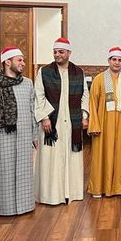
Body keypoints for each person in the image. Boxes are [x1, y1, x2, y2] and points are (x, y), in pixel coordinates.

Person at [0, 46, 37, 216]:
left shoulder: (27, 83)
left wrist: (34, 135)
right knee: (3, 173)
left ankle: (25, 206)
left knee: (24, 171)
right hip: (1, 135)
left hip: (24, 135)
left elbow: (32, 110)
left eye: (23, 60)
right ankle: (4, 209)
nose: (23, 63)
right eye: (19, 60)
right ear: (7, 61)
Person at [34, 37, 89, 205]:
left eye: (61, 52)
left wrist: (84, 116)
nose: (57, 55)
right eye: (55, 52)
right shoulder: (44, 71)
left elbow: (84, 95)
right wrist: (44, 117)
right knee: (51, 159)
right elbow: (39, 95)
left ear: (69, 53)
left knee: (72, 157)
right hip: (52, 122)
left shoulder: (78, 72)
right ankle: (51, 195)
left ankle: (71, 193)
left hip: (72, 122)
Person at [87, 47, 121, 197]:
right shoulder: (99, 79)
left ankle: (119, 187)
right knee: (102, 155)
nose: (117, 62)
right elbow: (92, 103)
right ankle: (99, 188)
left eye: (120, 60)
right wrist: (94, 124)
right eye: (114, 59)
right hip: (103, 123)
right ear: (108, 61)